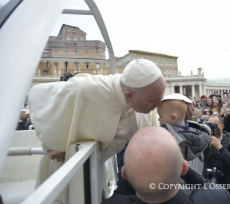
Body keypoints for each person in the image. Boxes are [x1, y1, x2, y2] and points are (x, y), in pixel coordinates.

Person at [29, 59, 167, 203]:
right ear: (129, 96)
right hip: (64, 165)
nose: (158, 105)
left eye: (161, 98)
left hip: (97, 165)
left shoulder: (144, 96)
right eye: (154, 100)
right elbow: (40, 97)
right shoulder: (85, 88)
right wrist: (50, 145)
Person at [103, 126, 230, 204]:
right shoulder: (215, 198)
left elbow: (120, 192)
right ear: (184, 168)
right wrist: (184, 169)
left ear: (125, 174)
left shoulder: (115, 202)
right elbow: (206, 187)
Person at [157, 93, 210, 173]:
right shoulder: (197, 131)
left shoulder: (172, 139)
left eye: (160, 116)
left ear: (173, 118)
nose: (158, 120)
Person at [203, 115, 230, 204]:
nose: (212, 127)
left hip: (228, 183)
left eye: (215, 124)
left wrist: (220, 147)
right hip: (208, 181)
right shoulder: (204, 138)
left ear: (222, 126)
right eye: (209, 124)